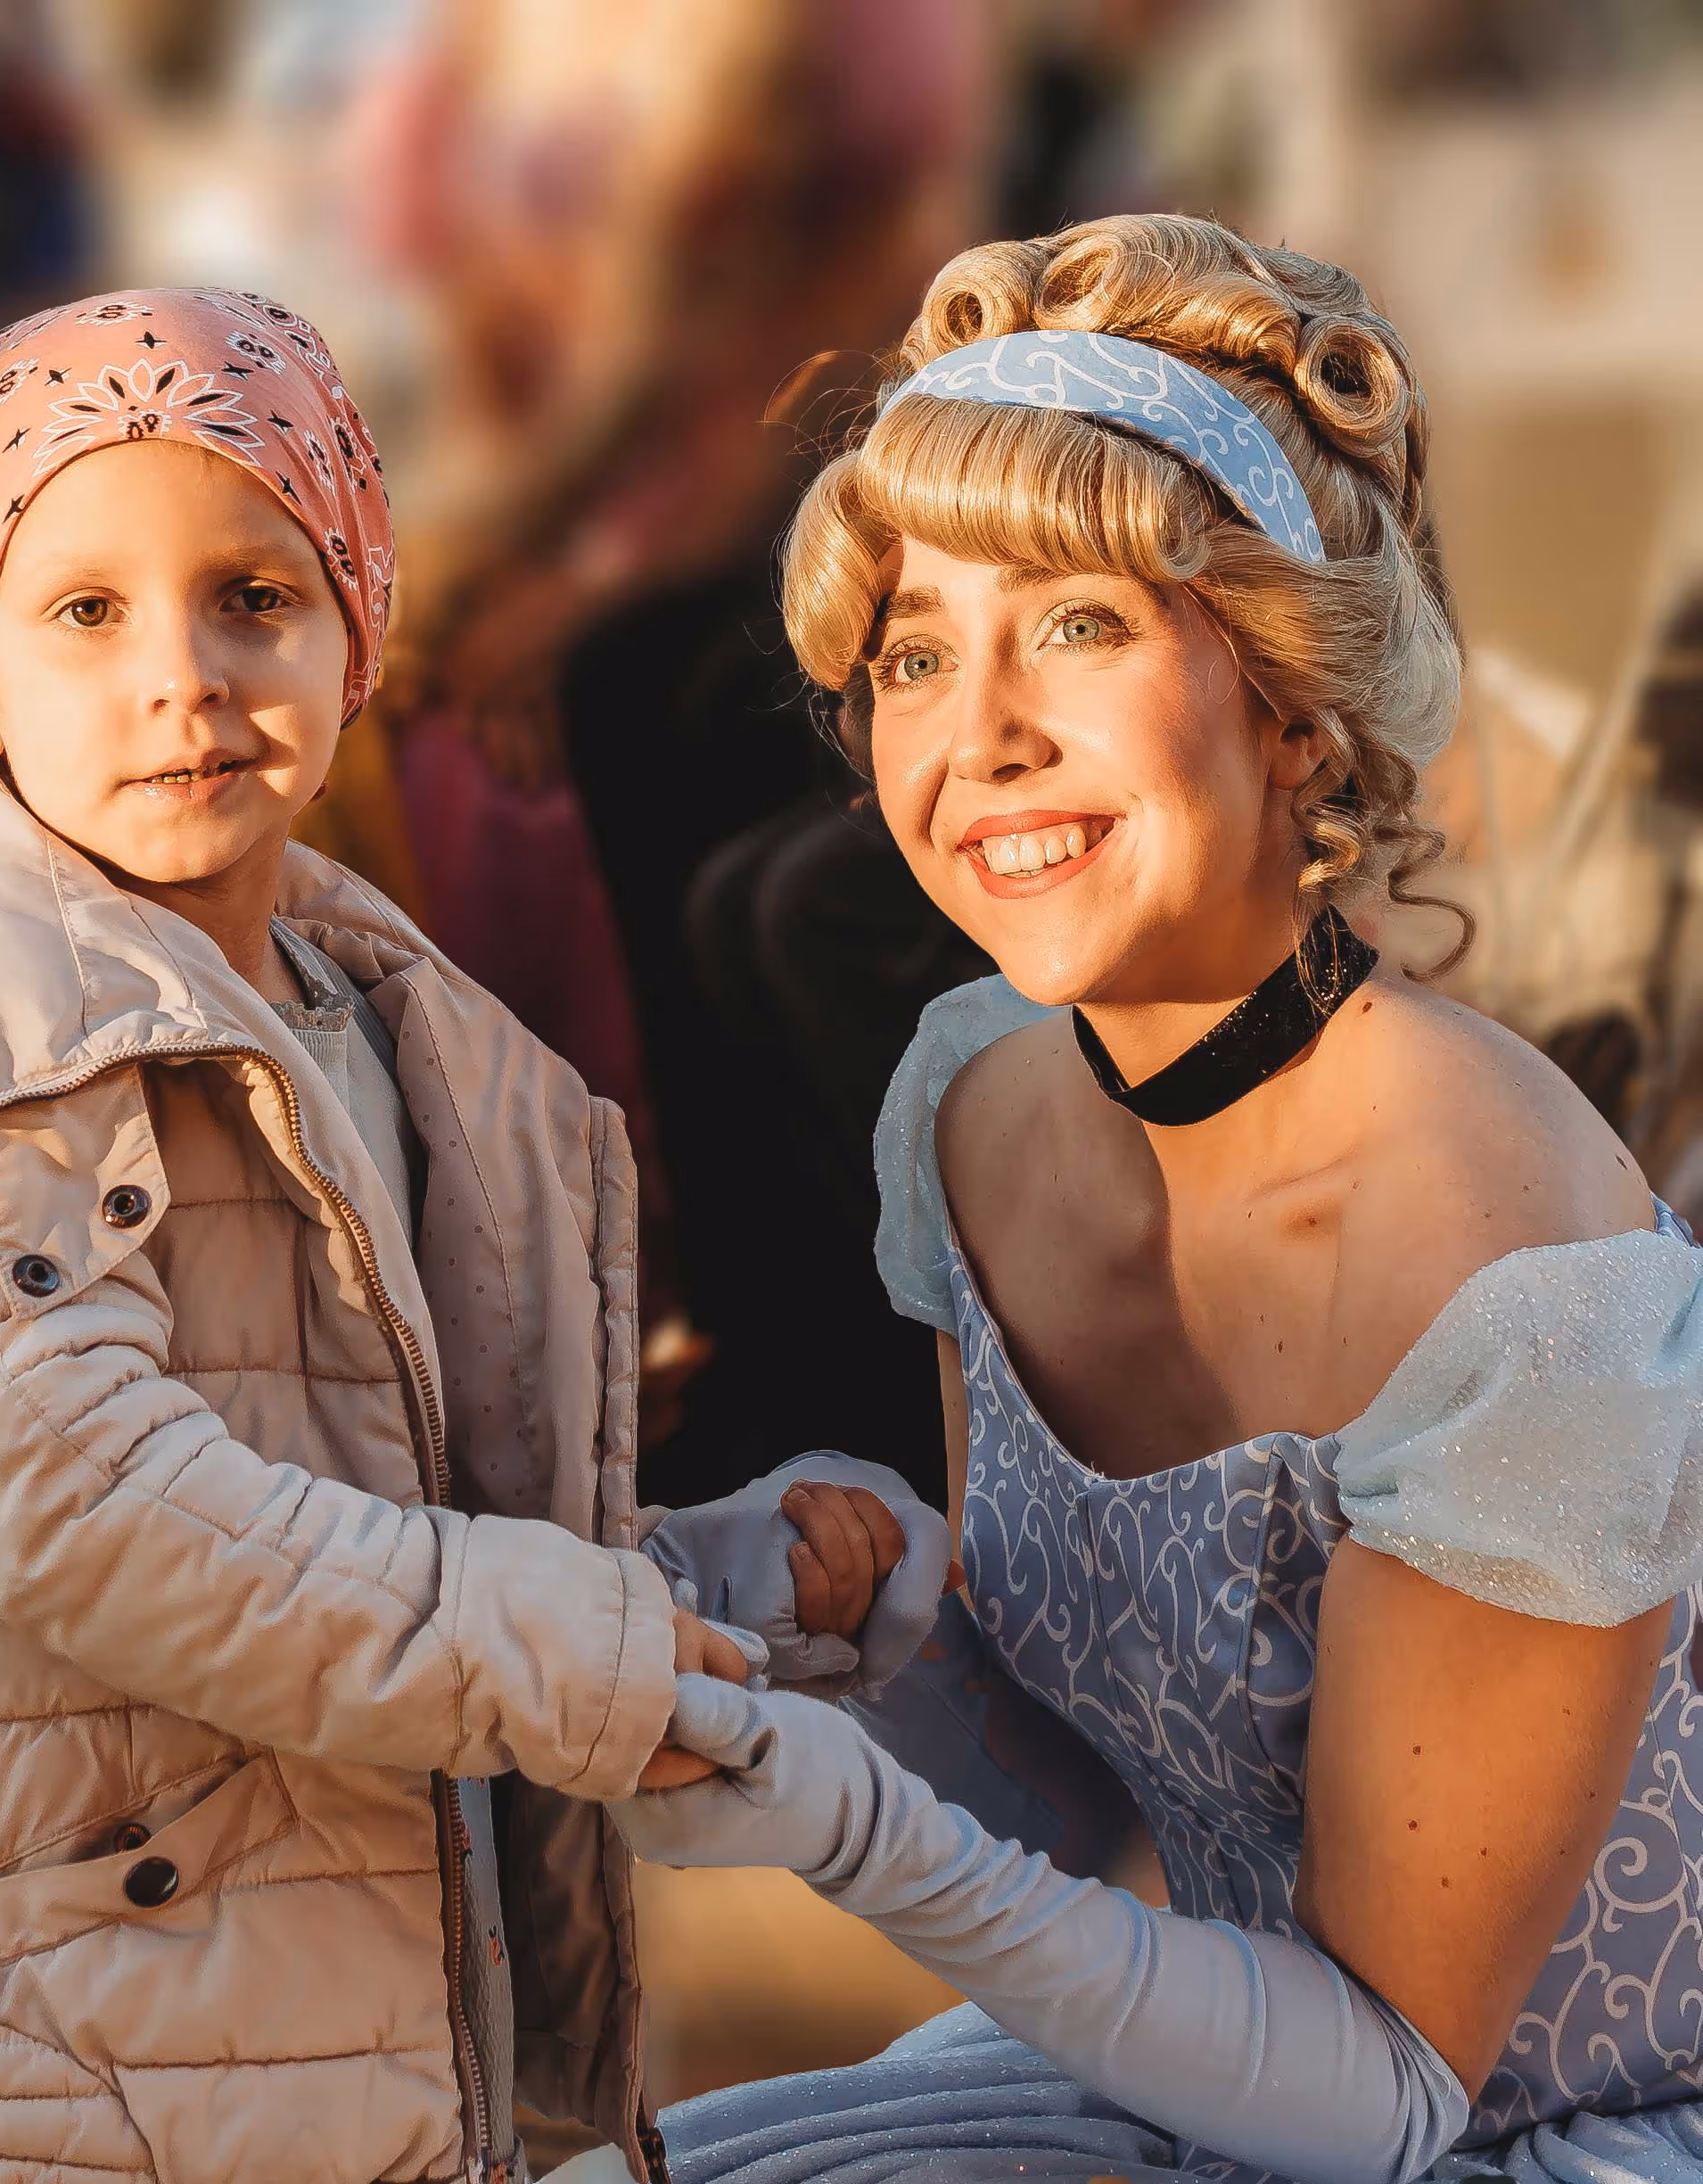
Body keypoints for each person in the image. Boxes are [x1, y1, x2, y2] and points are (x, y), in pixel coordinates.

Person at [0, 285, 830, 2184]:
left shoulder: (388, 1033)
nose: (179, 676)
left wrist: (717, 1594)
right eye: (85, 612)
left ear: (360, 625)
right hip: (19, 2084)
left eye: (254, 598)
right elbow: (96, 1510)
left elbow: (399, 1504)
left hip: (296, 2057)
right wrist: (570, 1661)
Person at [621, 214, 1703, 2182]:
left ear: (1297, 703)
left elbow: (1389, 2093)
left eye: (1085, 625)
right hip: (1213, 2082)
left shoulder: (1513, 1267)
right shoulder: (970, 1111)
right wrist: (849, 1629)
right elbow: (1080, 1783)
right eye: (918, 653)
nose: (980, 737)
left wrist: (854, 1831)